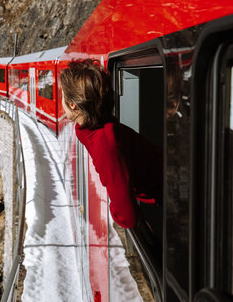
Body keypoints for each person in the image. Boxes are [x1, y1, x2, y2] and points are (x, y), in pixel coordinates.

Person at [60, 60, 162, 229]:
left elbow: (127, 217)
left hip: (169, 193)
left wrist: (116, 215)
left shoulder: (104, 144)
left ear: (73, 105)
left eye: (62, 96)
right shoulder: (95, 126)